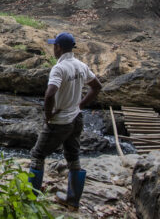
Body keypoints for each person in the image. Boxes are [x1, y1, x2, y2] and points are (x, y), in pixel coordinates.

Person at [28, 32, 102, 211]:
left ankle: (30, 201)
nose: (53, 48)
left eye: (54, 45)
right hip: (76, 119)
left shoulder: (59, 68)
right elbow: (96, 86)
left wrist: (48, 115)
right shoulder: (81, 65)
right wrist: (81, 105)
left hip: (60, 121)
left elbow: (50, 94)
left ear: (59, 47)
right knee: (73, 157)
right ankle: (72, 202)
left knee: (37, 155)